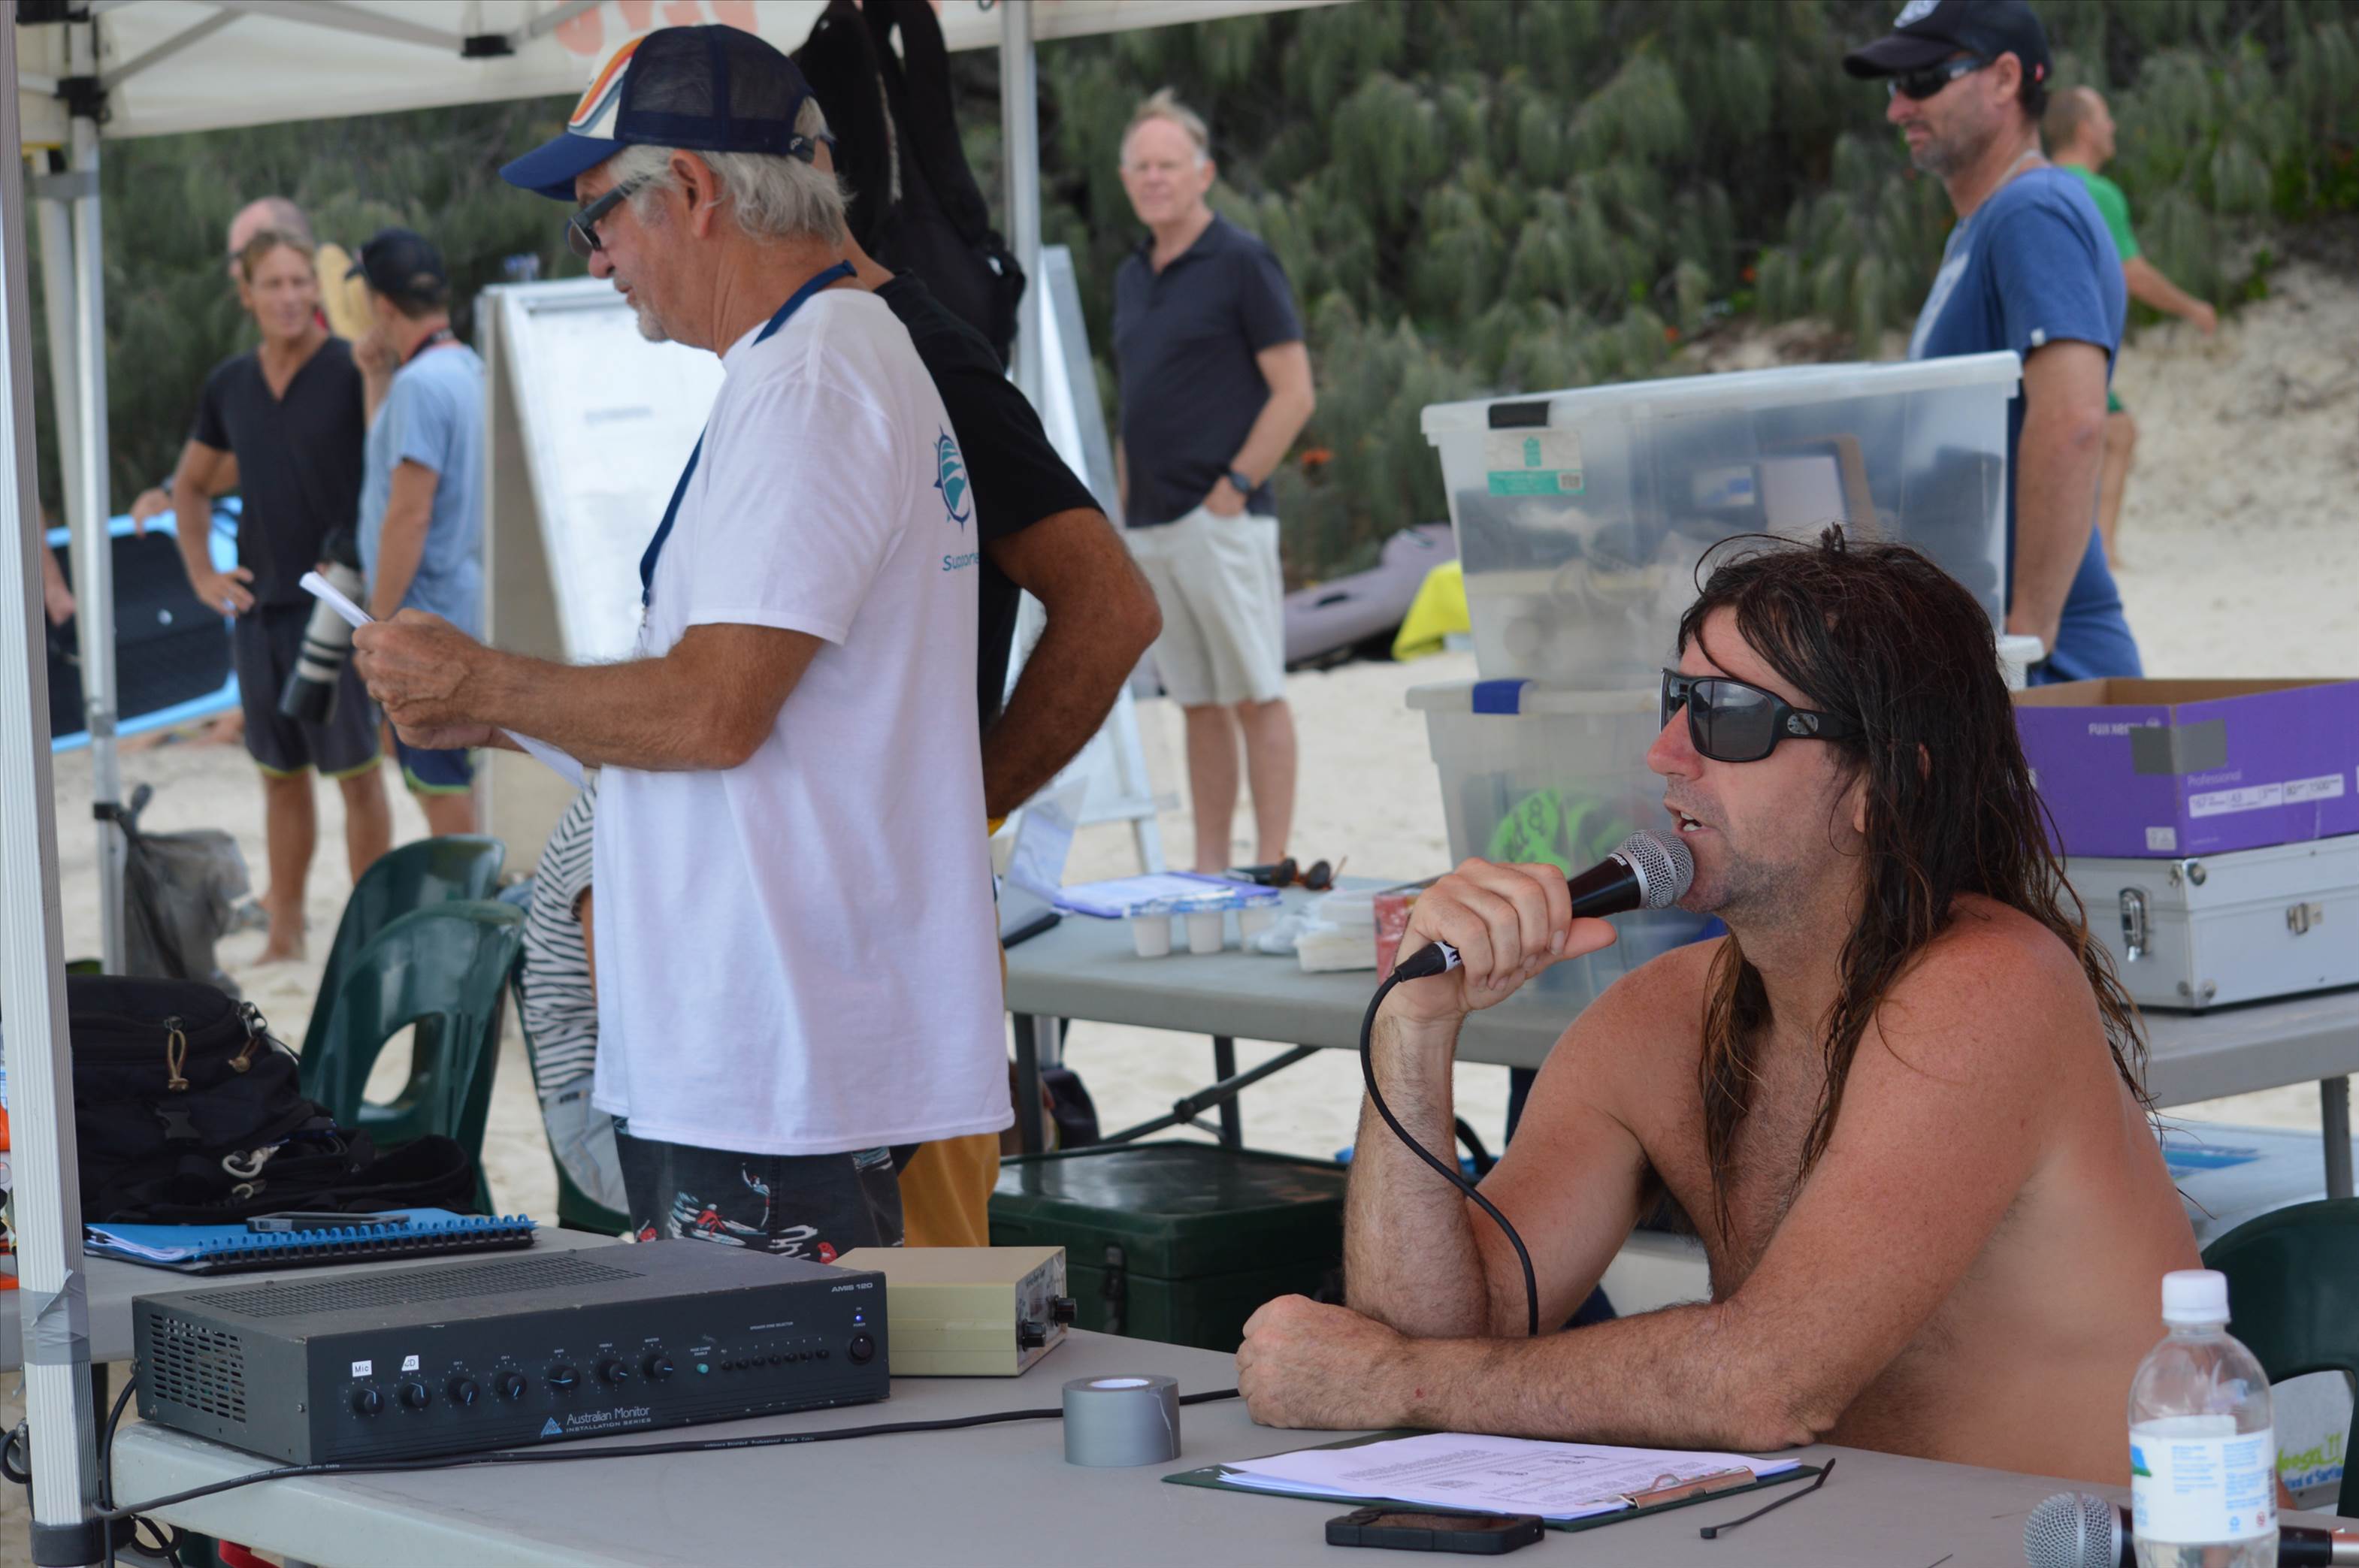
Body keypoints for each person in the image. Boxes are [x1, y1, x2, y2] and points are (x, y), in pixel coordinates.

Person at [1234, 530, 2199, 1487]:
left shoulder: (1989, 990)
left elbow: (1767, 1381)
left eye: (1731, 716)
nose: (1664, 754)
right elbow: (1440, 1332)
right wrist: (1414, 1029)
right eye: (1676, 699)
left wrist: (1393, 1380)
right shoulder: (1659, 1019)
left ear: (1886, 784)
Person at [355, 24, 1005, 1260]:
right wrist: (498, 708)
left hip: (774, 1050)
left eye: (596, 217)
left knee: (771, 1380)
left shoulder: (811, 382)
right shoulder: (820, 359)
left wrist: (486, 676)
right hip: (775, 1039)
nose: (596, 256)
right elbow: (757, 704)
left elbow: (713, 710)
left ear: (694, 189)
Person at [1846, 0, 2138, 684]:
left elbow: (2072, 421)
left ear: (2005, 78)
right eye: (1894, 86)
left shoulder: (2030, 212)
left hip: (2048, 655)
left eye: (1921, 81)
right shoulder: (1982, 226)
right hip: (1996, 635)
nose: (1897, 108)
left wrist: (2022, 641)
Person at [168, 225, 389, 963]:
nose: (290, 296)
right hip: (260, 612)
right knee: (280, 779)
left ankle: (372, 939)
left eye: (301, 281)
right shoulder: (230, 383)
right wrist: (202, 575)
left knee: (358, 778)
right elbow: (190, 486)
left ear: (317, 289)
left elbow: (388, 470)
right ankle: (286, 933)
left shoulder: (351, 366)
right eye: (274, 283)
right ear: (247, 294)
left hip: (341, 605)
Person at [1111, 89, 1315, 872]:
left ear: (1203, 173)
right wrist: (1126, 513)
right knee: (1195, 702)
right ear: (1125, 179)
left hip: (1220, 519)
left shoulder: (1241, 261)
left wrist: (1232, 488)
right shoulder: (1131, 276)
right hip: (1151, 525)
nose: (1154, 178)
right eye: (1141, 166)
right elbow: (1135, 405)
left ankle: (1271, 861)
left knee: (1256, 693)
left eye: (1168, 164)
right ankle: (1206, 867)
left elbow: (1294, 392)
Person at [2043, 85, 2219, 567]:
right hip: (2070, 348)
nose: (2113, 126)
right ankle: (2099, 553)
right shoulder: (2096, 192)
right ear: (2085, 130)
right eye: (2105, 117)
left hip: (2039, 343)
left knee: (2109, 434)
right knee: (2116, 434)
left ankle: (2093, 550)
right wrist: (2192, 309)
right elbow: (2133, 274)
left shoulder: (2034, 183)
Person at [349, 228, 485, 835]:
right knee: (456, 774)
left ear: (381, 304)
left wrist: (376, 626)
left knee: (439, 780)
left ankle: (469, 889)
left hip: (424, 618)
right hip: (462, 603)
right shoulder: (465, 368)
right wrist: (375, 377)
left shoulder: (420, 386)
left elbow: (408, 513)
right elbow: (390, 461)